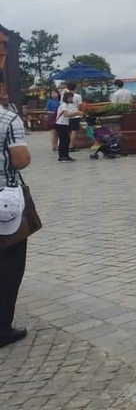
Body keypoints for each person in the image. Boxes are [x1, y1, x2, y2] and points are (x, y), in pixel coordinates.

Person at [0, 102, 31, 348]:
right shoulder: (9, 119)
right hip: (4, 203)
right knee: (10, 264)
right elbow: (20, 160)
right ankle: (2, 328)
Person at [55, 91, 82, 162]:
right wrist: (76, 113)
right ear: (66, 98)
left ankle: (65, 155)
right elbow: (66, 115)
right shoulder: (64, 105)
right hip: (61, 124)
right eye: (70, 97)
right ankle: (63, 156)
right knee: (64, 140)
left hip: (64, 124)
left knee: (66, 140)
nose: (71, 99)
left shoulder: (66, 105)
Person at [62, 82, 84, 150]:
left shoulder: (64, 95)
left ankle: (68, 144)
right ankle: (71, 146)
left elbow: (61, 104)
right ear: (75, 88)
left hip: (66, 115)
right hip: (75, 115)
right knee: (74, 131)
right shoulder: (77, 96)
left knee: (69, 131)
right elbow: (80, 106)